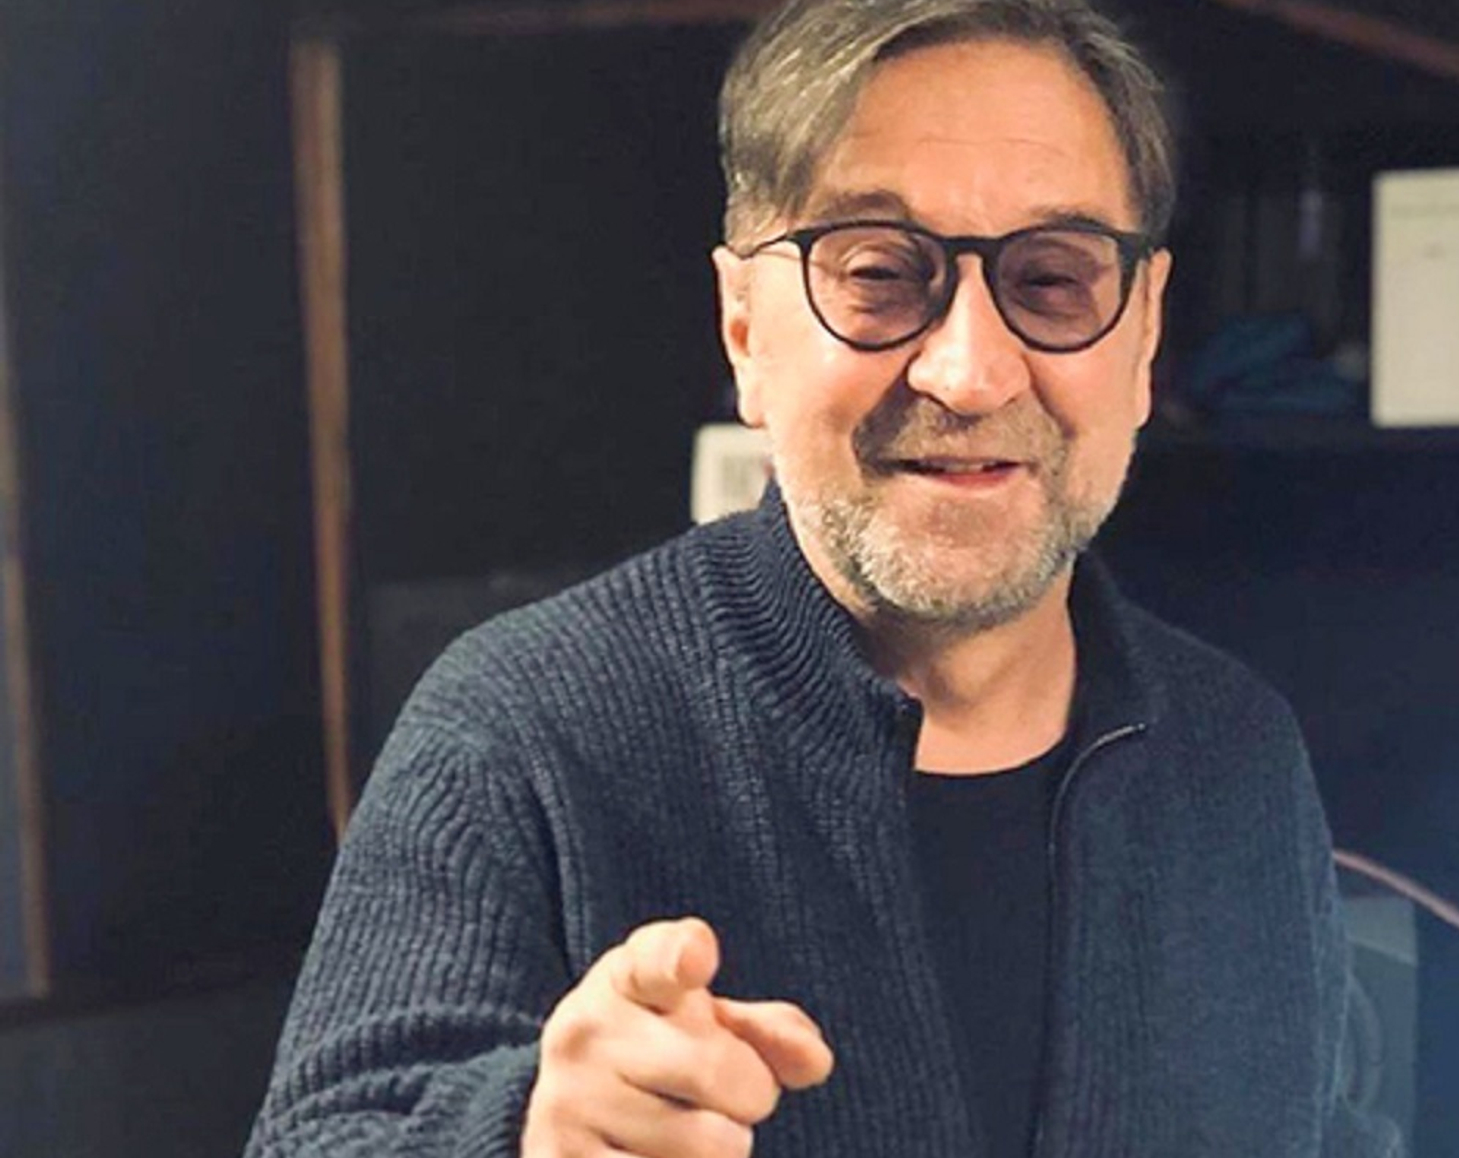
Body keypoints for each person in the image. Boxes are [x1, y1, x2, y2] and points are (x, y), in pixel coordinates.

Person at [247, 0, 1397, 1155]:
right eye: (880, 273)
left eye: (1051, 280)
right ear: (744, 329)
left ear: (1140, 337)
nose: (968, 373)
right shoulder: (522, 727)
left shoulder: (1234, 750)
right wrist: (523, 1136)